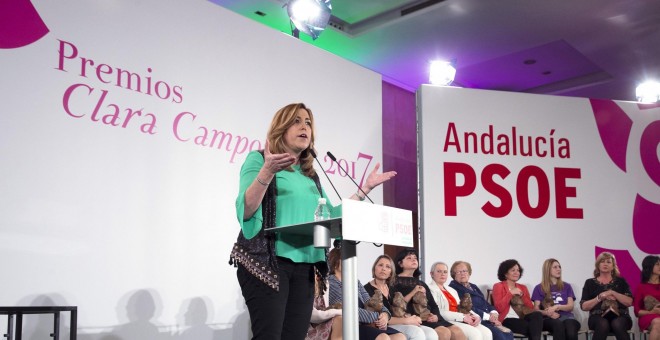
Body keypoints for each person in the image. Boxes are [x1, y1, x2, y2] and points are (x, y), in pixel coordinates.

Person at [230, 103, 397, 340]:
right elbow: (246, 209)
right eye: (296, 121)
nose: (304, 127)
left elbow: (329, 214)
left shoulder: (311, 175)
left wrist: (364, 190)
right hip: (269, 263)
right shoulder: (259, 160)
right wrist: (266, 172)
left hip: (305, 266)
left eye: (308, 122)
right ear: (281, 128)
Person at [327, 247, 406, 340]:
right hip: (351, 325)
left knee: (400, 337)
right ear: (335, 263)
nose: (349, 261)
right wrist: (377, 317)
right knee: (383, 337)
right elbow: (347, 309)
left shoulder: (355, 281)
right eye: (344, 258)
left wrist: (385, 314)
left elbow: (370, 301)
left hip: (366, 323)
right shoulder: (331, 282)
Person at [393, 248, 466, 340]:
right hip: (413, 317)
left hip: (428, 317)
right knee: (444, 332)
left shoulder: (421, 283)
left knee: (457, 331)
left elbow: (433, 305)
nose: (414, 260)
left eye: (415, 258)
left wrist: (436, 316)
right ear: (400, 263)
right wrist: (414, 292)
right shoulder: (394, 282)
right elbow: (397, 305)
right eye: (409, 258)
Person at [365, 255, 439, 340]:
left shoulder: (391, 287)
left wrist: (412, 317)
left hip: (399, 321)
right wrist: (406, 321)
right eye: (380, 265)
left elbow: (401, 305)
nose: (383, 269)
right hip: (385, 325)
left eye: (388, 267)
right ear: (374, 268)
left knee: (431, 333)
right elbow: (378, 319)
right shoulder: (367, 290)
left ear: (391, 272)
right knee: (416, 332)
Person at [448, 261, 514, 340]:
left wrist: (494, 313)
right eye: (459, 272)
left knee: (508, 334)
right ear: (453, 274)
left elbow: (485, 302)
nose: (462, 274)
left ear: (469, 273)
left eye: (465, 271)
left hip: (488, 319)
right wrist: (488, 317)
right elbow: (466, 308)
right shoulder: (453, 288)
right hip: (476, 319)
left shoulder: (473, 286)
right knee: (499, 335)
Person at [428, 261, 493, 340]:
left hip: (461, 318)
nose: (443, 274)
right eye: (439, 271)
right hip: (449, 319)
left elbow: (462, 307)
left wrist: (476, 316)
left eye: (445, 272)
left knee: (487, 332)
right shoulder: (429, 289)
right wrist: (462, 317)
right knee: (475, 334)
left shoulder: (451, 290)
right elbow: (438, 311)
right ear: (431, 274)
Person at [579, 252, 633, 340]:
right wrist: (599, 298)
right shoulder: (589, 283)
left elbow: (629, 302)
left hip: (621, 316)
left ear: (613, 266)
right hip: (597, 317)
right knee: (603, 323)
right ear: (598, 265)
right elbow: (584, 306)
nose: (605, 264)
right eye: (602, 261)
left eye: (608, 262)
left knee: (617, 323)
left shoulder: (621, 281)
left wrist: (612, 293)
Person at [492, 259, 544, 340]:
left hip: (522, 317)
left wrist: (522, 295)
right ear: (505, 273)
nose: (516, 273)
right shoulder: (498, 286)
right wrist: (510, 293)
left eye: (518, 270)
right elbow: (499, 308)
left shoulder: (523, 287)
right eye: (513, 270)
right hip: (507, 319)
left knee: (537, 315)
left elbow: (530, 308)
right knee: (533, 327)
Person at [531, 259, 581, 340]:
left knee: (571, 330)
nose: (559, 269)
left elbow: (570, 306)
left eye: (559, 267)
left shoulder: (567, 286)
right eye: (555, 267)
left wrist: (557, 307)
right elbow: (536, 309)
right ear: (547, 270)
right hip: (548, 319)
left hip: (567, 317)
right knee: (558, 325)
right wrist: (547, 313)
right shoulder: (538, 288)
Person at [633, 255, 660, 340]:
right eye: (657, 264)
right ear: (649, 266)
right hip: (648, 316)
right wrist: (652, 312)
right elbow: (637, 312)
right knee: (658, 323)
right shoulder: (641, 287)